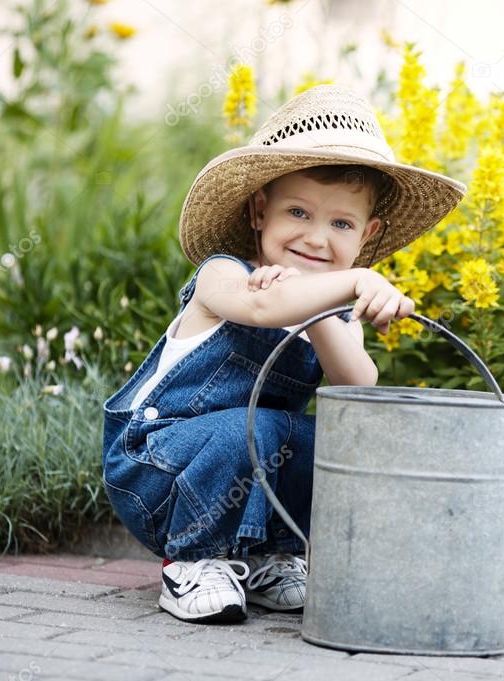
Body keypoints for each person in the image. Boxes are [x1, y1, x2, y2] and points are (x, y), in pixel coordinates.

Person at [101, 85, 466, 623]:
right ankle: (192, 562)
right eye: (298, 212)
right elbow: (268, 307)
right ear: (258, 211)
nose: (317, 238)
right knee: (253, 430)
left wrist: (331, 307)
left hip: (243, 475)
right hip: (154, 473)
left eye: (341, 224)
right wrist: (354, 281)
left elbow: (356, 383)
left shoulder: (336, 310)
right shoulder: (225, 276)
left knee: (327, 441)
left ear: (368, 235)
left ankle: (265, 555)